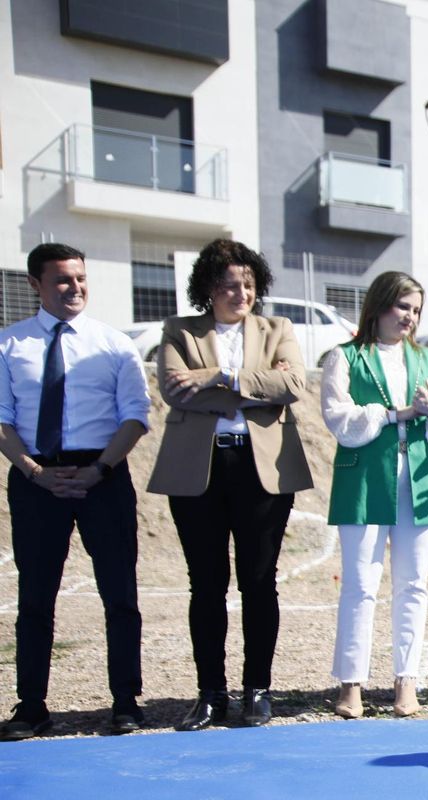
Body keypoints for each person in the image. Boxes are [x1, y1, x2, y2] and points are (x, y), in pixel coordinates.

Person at [148, 239, 314, 731]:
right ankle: (210, 694)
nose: (239, 292)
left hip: (263, 470)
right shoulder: (179, 331)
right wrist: (249, 392)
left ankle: (257, 690)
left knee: (260, 582)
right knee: (207, 585)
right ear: (207, 288)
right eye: (227, 284)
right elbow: (175, 391)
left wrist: (219, 376)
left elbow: (294, 386)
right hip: (198, 471)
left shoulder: (277, 328)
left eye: (247, 284)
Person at [0, 243, 150, 739]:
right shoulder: (9, 345)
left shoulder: (113, 344)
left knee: (119, 594)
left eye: (81, 278)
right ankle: (31, 706)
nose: (75, 287)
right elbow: (1, 421)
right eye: (63, 279)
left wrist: (100, 470)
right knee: (36, 597)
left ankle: (126, 701)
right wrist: (32, 470)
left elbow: (135, 416)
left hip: (102, 477)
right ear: (35, 285)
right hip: (36, 480)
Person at [321, 272, 428, 718]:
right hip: (363, 482)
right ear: (379, 306)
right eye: (403, 306)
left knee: (413, 585)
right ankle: (351, 684)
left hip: (417, 482)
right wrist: (394, 413)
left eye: (416, 310)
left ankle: (407, 680)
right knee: (360, 585)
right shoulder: (344, 358)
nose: (410, 317)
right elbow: (338, 418)